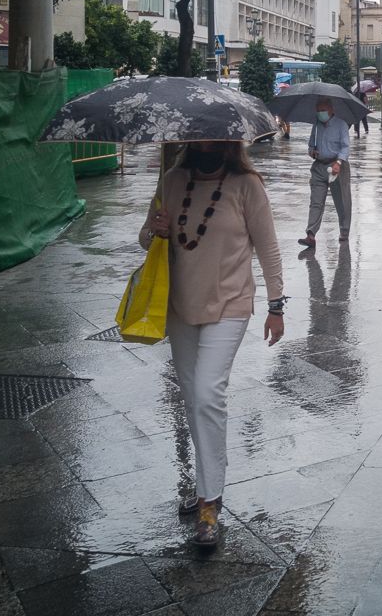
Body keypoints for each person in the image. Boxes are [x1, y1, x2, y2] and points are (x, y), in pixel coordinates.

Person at [140, 141, 285, 546]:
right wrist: (155, 229)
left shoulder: (246, 185)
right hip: (180, 307)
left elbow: (269, 249)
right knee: (191, 397)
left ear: (228, 143)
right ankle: (206, 481)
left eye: (214, 139)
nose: (206, 146)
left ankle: (210, 503)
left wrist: (276, 305)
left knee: (207, 394)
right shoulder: (172, 180)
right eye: (198, 139)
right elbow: (143, 238)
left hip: (230, 304)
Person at [298, 98, 352, 247]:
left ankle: (344, 231)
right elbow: (310, 145)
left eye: (323, 110)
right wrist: (312, 152)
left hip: (337, 166)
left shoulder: (341, 125)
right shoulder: (316, 126)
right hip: (319, 167)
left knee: (342, 202)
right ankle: (311, 234)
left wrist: (339, 162)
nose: (320, 113)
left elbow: (345, 147)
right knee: (316, 201)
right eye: (318, 110)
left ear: (331, 110)